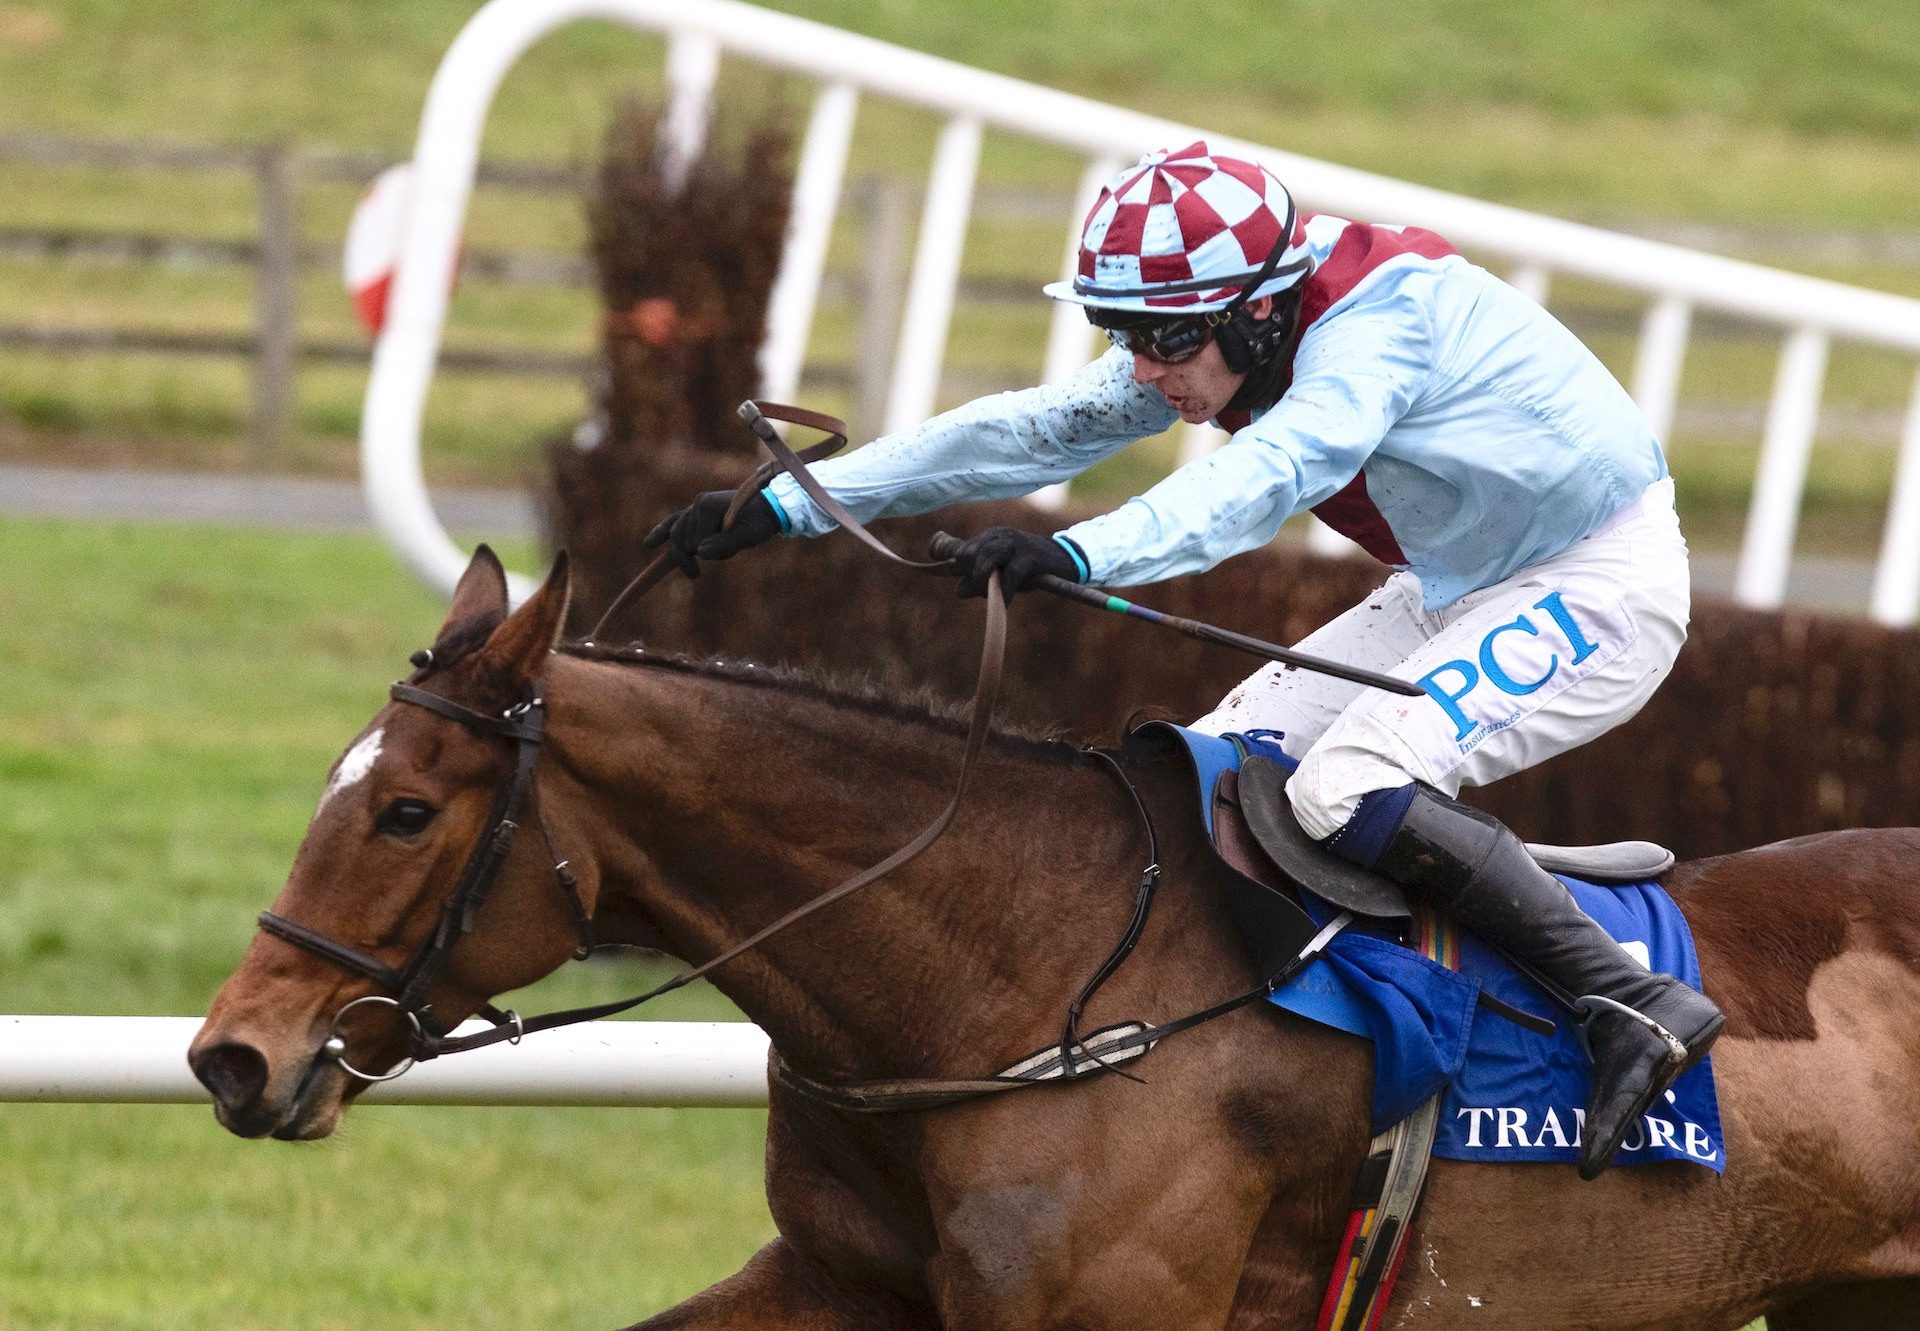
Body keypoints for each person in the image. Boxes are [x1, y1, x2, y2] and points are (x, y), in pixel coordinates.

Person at [646, 141, 1721, 1178]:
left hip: (1600, 581)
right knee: (1210, 780)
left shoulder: (1375, 328)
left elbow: (1262, 479)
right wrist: (793, 503)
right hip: (1454, 584)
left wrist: (1079, 550)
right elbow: (1031, 430)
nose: (1144, 369)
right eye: (1123, 334)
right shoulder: (1231, 317)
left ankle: (1632, 999)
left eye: (1163, 340)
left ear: (1256, 311)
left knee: (1347, 785)